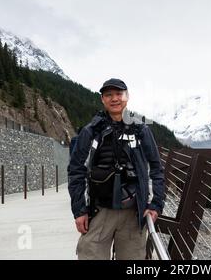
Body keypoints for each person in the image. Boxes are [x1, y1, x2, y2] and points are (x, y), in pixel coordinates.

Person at [67, 78, 165, 260]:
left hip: (133, 212)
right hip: (99, 211)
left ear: (126, 97)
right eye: (108, 95)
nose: (114, 99)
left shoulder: (141, 130)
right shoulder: (91, 131)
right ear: (102, 100)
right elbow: (76, 171)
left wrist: (156, 204)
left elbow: (156, 168)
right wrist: (79, 211)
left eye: (118, 94)